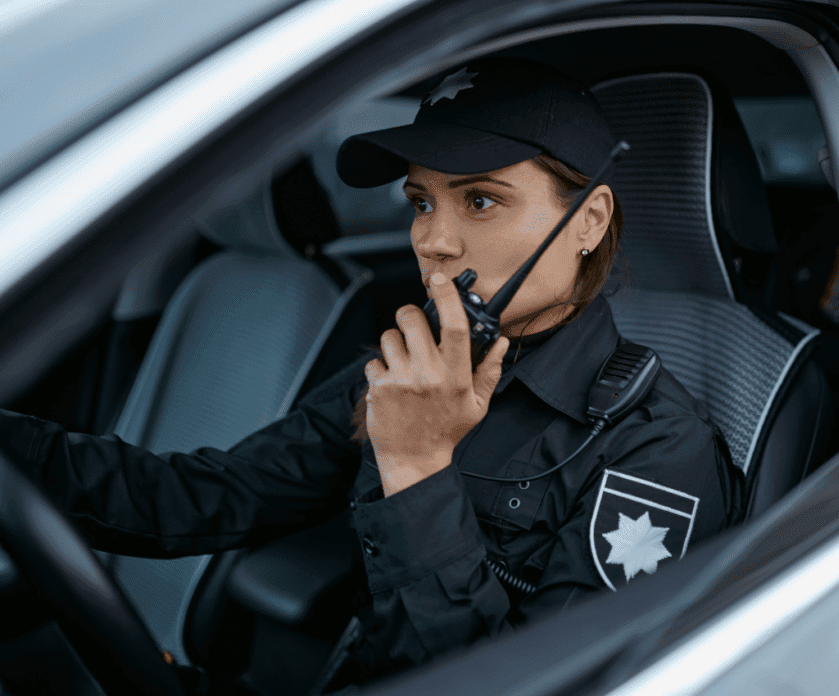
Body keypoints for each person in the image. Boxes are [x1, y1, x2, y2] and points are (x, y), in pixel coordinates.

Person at [0, 57, 743, 687]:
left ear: (588, 220)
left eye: (480, 200)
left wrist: (418, 468)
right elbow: (207, 495)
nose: (433, 242)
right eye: (421, 201)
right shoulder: (411, 367)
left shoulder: (656, 454)